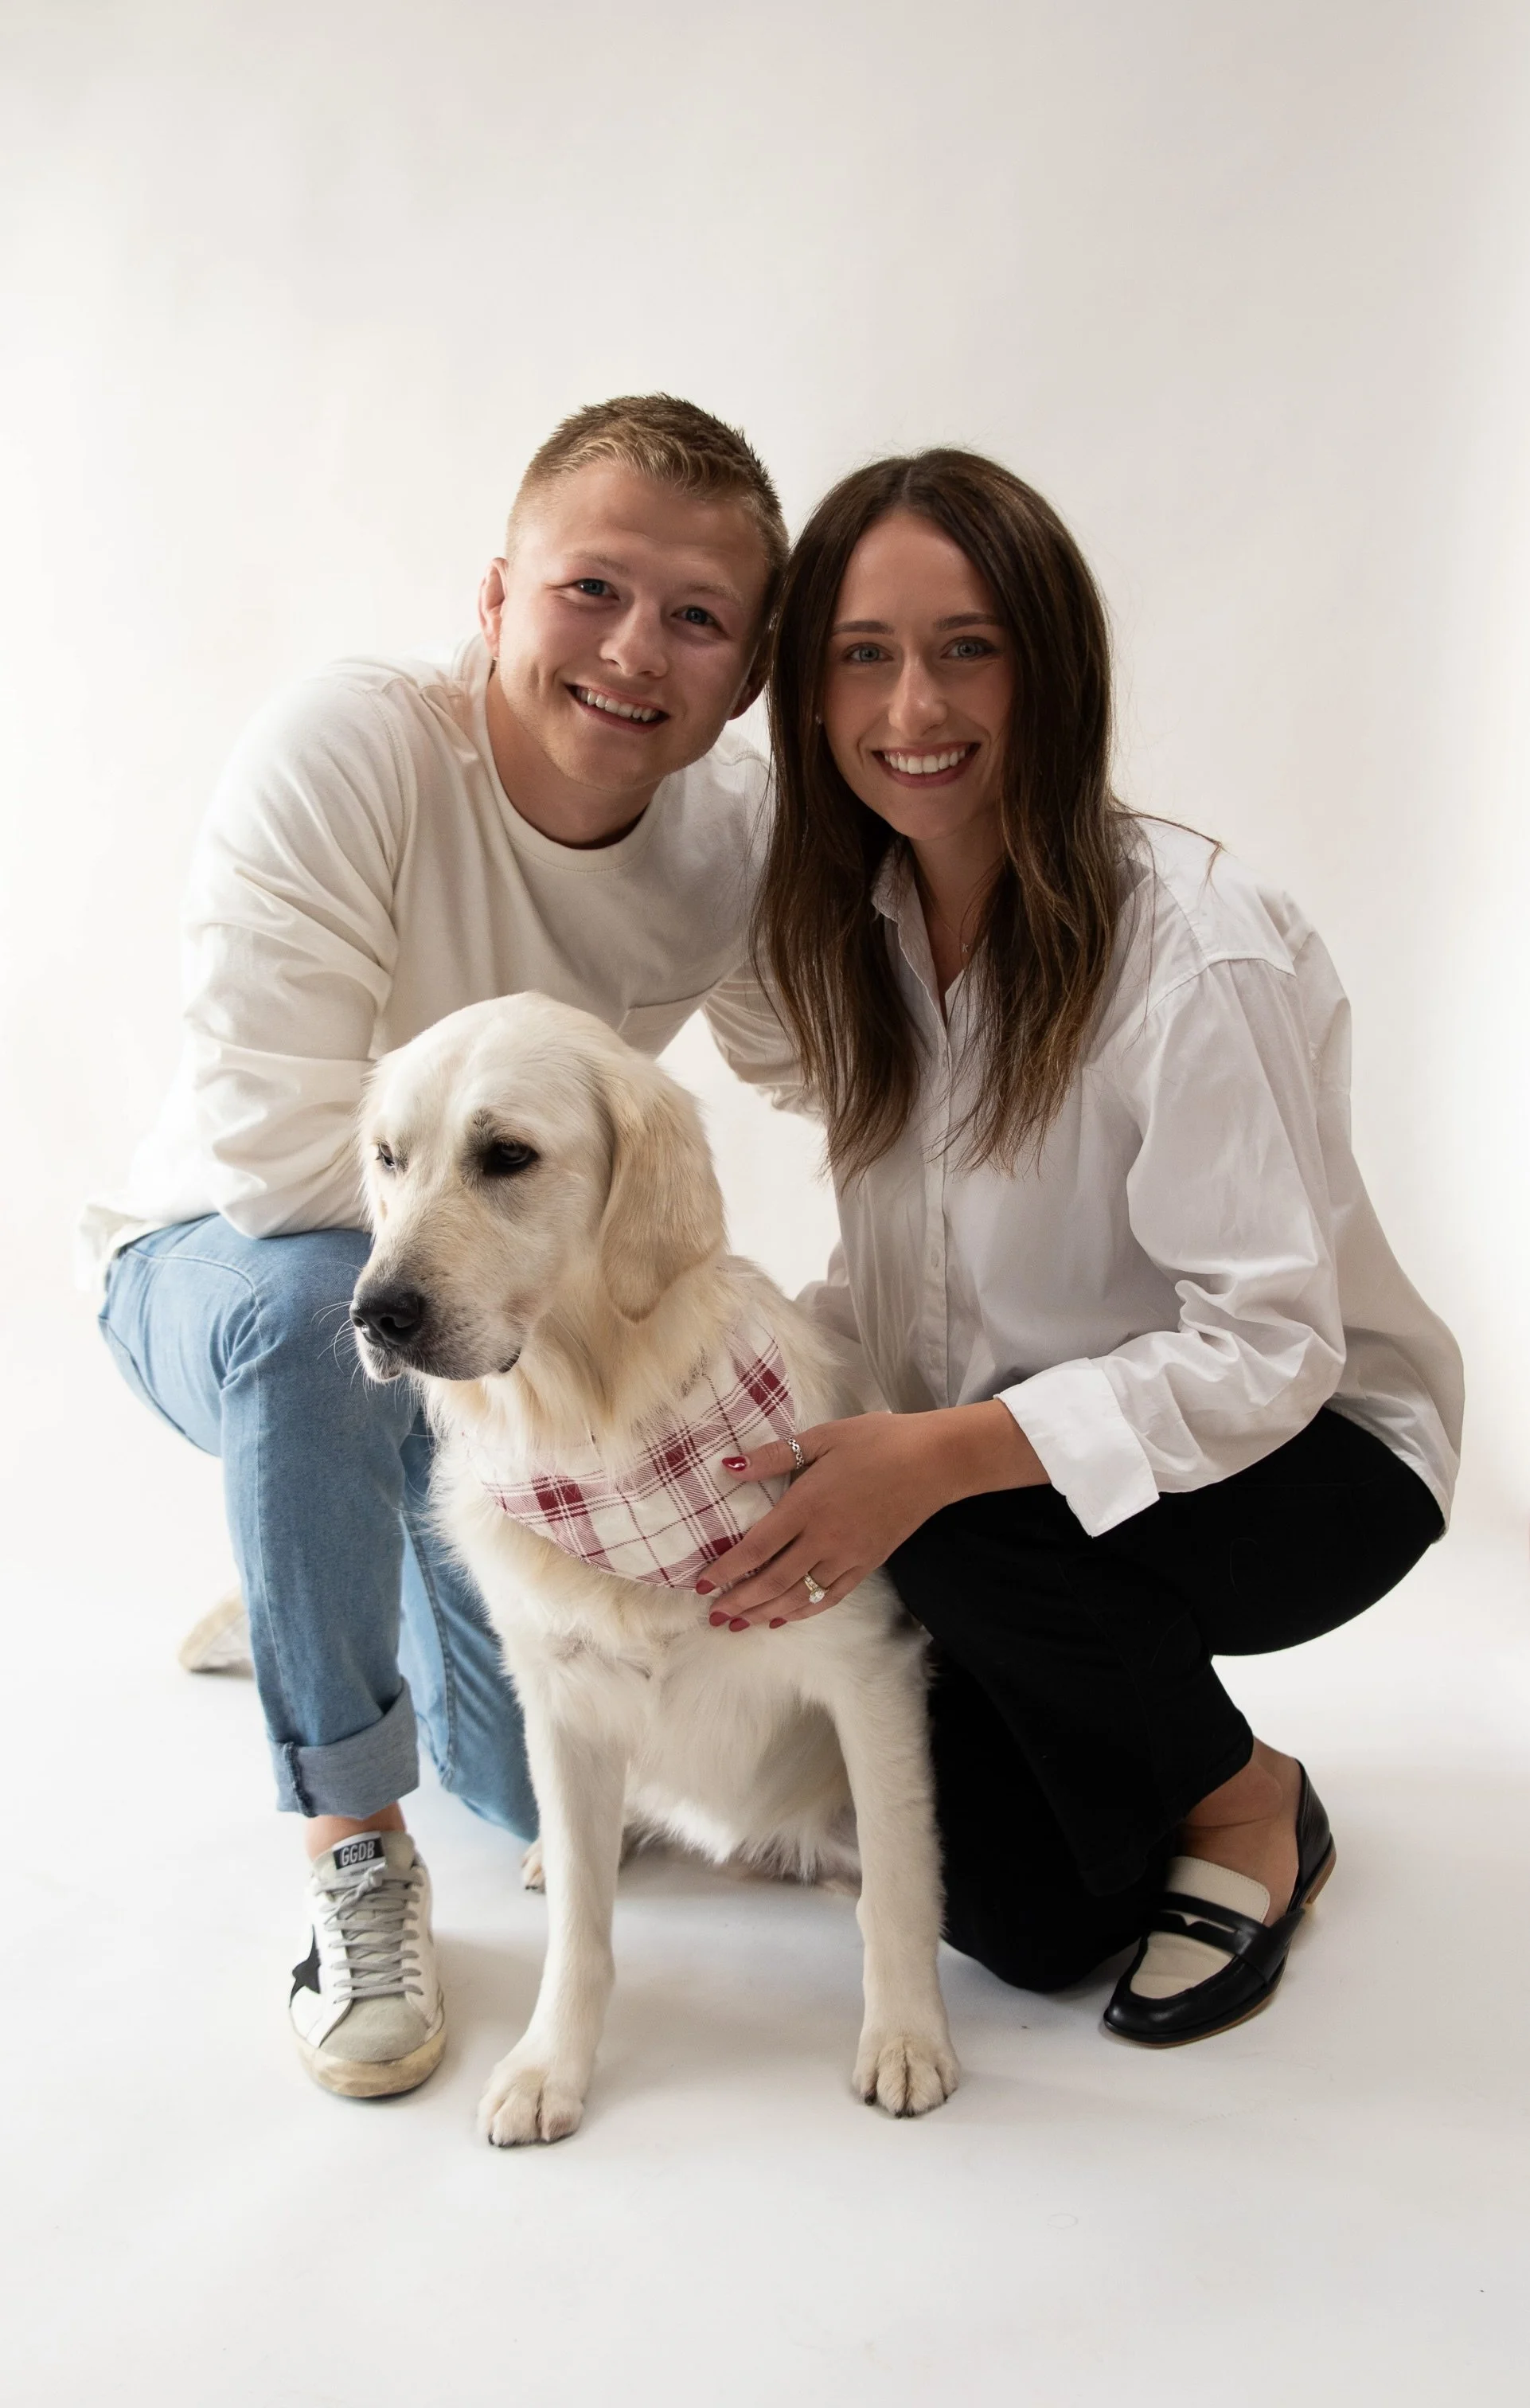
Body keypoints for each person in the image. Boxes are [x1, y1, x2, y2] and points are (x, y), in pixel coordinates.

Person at [701, 449, 1462, 2046]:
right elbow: (908, 1286)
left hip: (1311, 1451)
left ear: (1049, 663)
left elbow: (1267, 1345)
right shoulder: (866, 938)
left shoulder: (1193, 951)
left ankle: (1251, 1801)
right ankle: (1139, 1777)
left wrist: (918, 1465)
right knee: (1025, 1925)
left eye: (966, 645)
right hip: (1032, 1483)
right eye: (863, 653)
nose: (914, 703)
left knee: (951, 1518)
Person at [84, 395, 786, 2097]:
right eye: (590, 590)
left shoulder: (729, 840)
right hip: (227, 1265)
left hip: (482, 1324)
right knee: (312, 1326)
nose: (635, 652)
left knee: (528, 1789)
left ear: (747, 671)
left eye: (696, 617)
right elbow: (262, 1154)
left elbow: (831, 1059)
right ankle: (347, 1845)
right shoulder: (352, 747)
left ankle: (314, 1565)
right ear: (494, 599)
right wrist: (530, 1270)